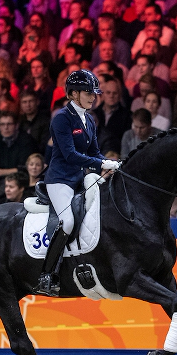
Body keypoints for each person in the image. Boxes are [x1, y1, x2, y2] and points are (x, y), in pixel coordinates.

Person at [35, 69, 119, 296]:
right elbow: (70, 155)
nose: (93, 97)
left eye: (94, 93)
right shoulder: (61, 118)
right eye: (88, 93)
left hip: (81, 178)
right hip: (60, 179)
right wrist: (102, 163)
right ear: (73, 94)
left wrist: (111, 163)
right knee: (68, 222)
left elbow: (94, 152)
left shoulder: (89, 119)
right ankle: (47, 274)